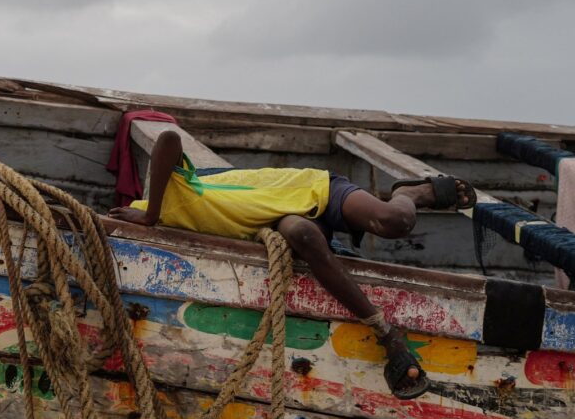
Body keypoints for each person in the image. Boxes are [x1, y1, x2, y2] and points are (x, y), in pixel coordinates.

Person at [108, 131, 475, 400]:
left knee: (394, 222)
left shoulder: (163, 196)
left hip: (307, 188)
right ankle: (385, 332)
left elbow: (168, 139)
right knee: (305, 238)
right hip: (277, 221)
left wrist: (151, 214)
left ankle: (409, 193)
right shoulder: (153, 224)